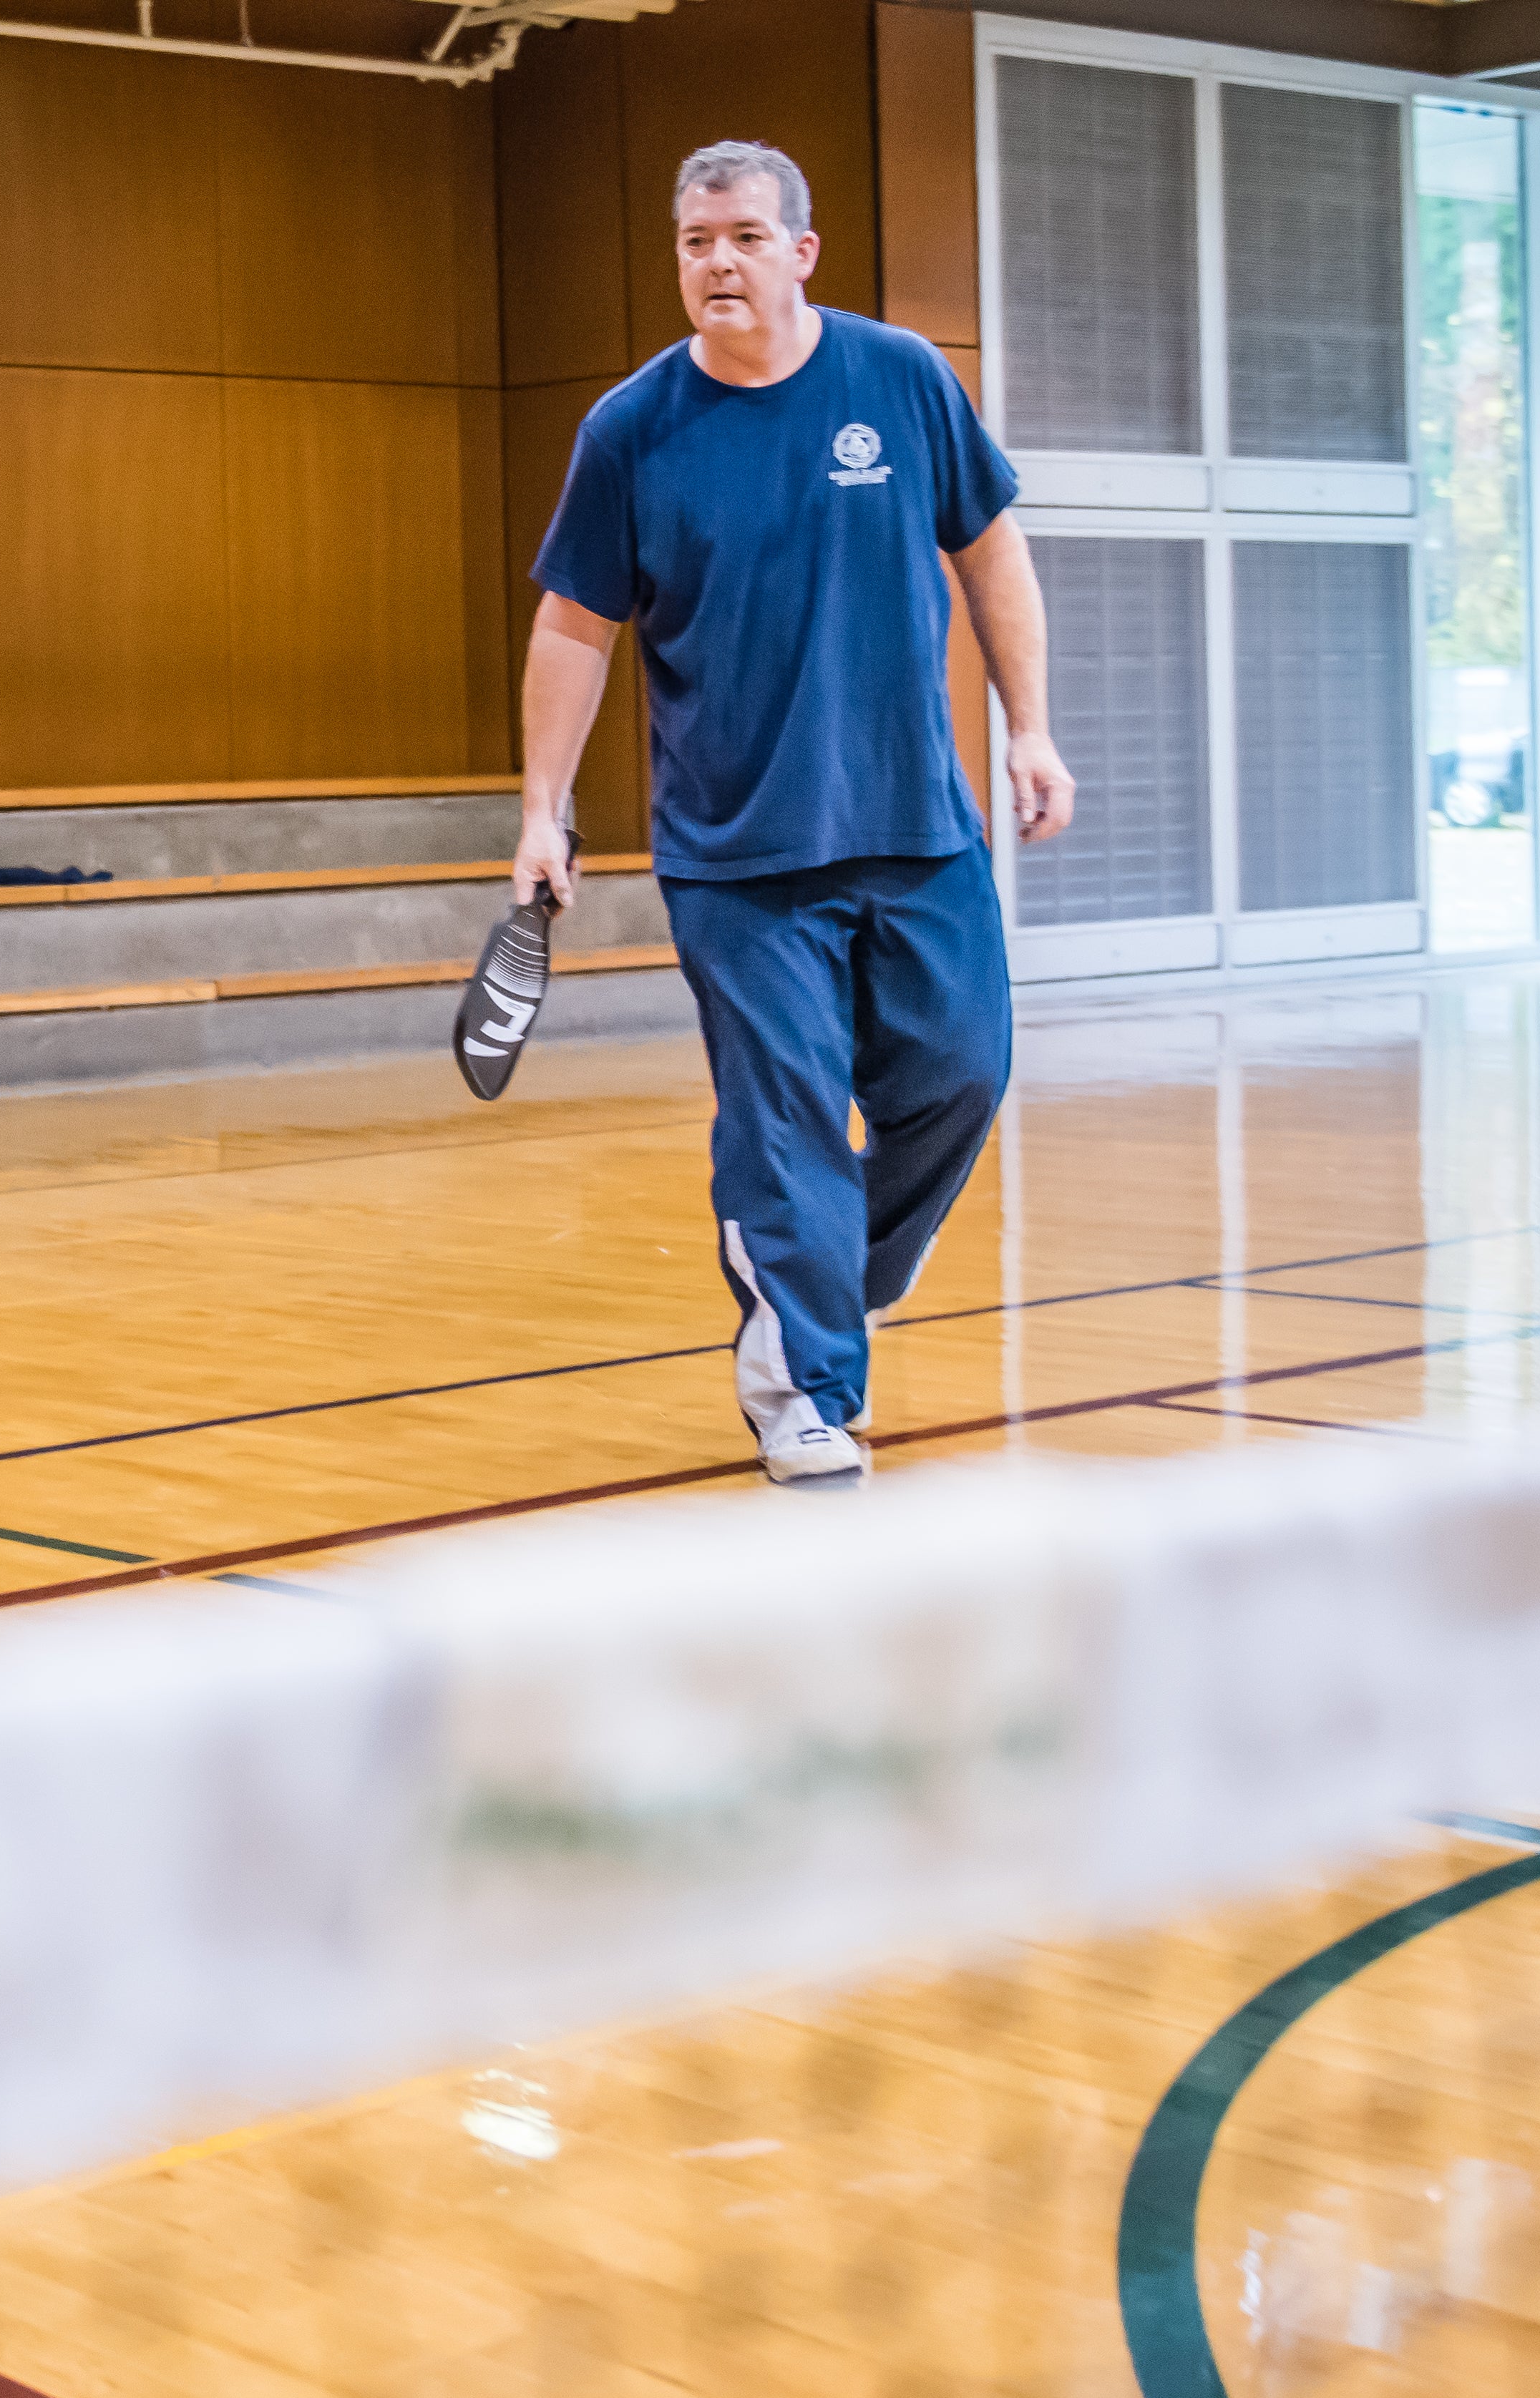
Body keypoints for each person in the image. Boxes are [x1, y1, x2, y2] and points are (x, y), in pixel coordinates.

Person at [519, 141, 1076, 1486]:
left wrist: (1031, 727)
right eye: (695, 240)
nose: (718, 261)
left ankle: (838, 1267)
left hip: (915, 822)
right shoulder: (631, 429)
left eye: (745, 238)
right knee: (780, 1122)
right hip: (737, 851)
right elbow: (574, 624)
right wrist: (543, 808)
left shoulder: (899, 378)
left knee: (963, 1071)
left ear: (800, 253)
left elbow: (990, 550)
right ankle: (804, 1387)